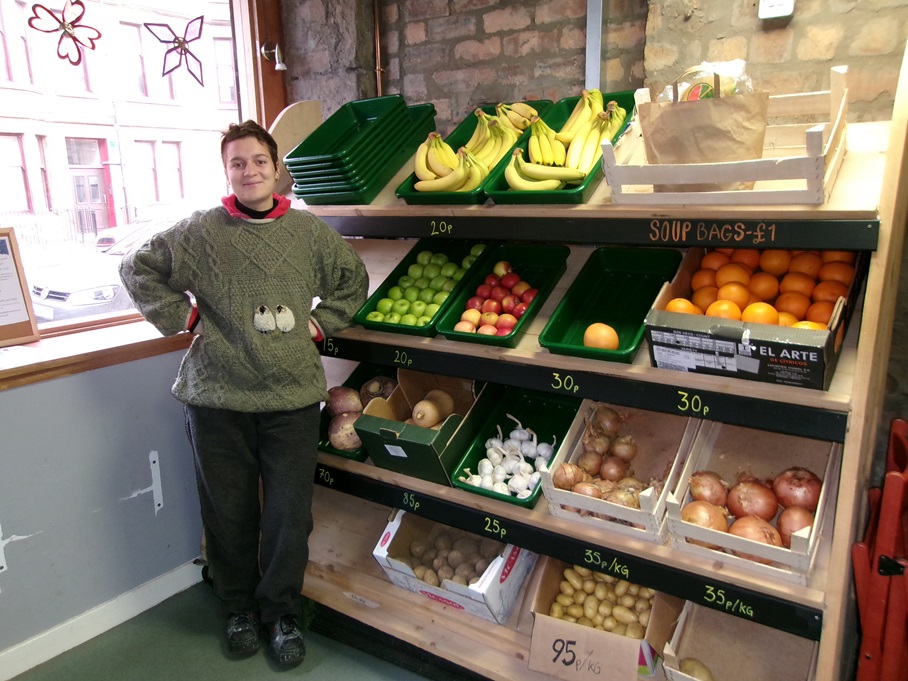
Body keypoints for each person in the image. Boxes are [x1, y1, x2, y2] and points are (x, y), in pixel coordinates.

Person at [118, 120, 368, 667]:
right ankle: (235, 607)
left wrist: (318, 325)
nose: (249, 171)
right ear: (227, 171)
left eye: (258, 160)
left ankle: (281, 613)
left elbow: (352, 280)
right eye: (237, 163)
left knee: (288, 516)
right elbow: (137, 267)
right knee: (227, 512)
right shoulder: (199, 232)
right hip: (216, 401)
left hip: (292, 401)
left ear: (276, 168)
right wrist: (184, 316)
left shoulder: (308, 233)